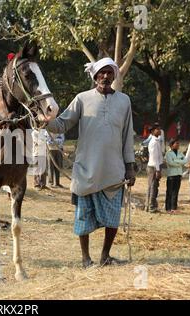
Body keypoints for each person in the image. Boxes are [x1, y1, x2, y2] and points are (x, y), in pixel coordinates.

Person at [43, 57, 136, 268]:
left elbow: (127, 135)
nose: (105, 76)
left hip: (113, 170)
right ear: (94, 76)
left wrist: (129, 166)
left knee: (113, 219)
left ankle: (105, 256)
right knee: (83, 217)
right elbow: (62, 124)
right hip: (86, 169)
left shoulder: (124, 101)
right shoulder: (82, 98)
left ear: (114, 75)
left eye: (109, 72)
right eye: (101, 73)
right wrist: (46, 122)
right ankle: (86, 259)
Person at [165, 138, 187, 213]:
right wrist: (179, 162)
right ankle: (168, 208)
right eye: (176, 143)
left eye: (178, 143)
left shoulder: (180, 152)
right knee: (170, 192)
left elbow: (185, 160)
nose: (178, 145)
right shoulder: (168, 153)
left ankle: (174, 208)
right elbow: (170, 163)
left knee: (176, 192)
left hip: (178, 174)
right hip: (171, 175)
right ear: (171, 145)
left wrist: (176, 161)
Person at [146, 125, 163, 213]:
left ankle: (148, 206)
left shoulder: (157, 140)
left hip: (155, 166)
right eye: (157, 129)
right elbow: (155, 157)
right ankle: (151, 207)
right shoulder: (153, 142)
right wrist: (158, 170)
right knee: (153, 188)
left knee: (153, 187)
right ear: (152, 132)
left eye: (159, 128)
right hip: (153, 167)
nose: (159, 130)